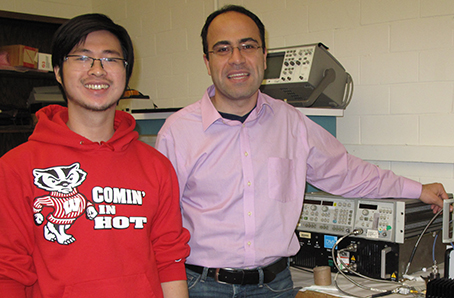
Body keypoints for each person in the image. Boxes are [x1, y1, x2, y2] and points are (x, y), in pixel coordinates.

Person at [155, 4, 449, 298]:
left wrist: (417, 189)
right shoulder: (178, 132)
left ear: (263, 55)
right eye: (223, 49)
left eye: (247, 46)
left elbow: (348, 173)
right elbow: (159, 225)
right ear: (207, 62)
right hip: (202, 286)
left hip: (274, 286)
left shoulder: (292, 123)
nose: (237, 59)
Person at [0, 13, 190, 298]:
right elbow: (8, 273)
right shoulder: (17, 167)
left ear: (126, 73)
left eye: (111, 59)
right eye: (82, 58)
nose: (97, 70)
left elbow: (170, 261)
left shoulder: (156, 167)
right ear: (57, 71)